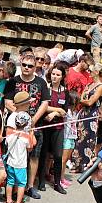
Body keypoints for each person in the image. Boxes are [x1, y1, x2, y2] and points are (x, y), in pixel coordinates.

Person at [3, 52, 50, 198]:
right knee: (13, 155)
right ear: (20, 65)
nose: (27, 68)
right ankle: (13, 186)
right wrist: (22, 118)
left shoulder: (41, 82)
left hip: (34, 124)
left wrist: (33, 120)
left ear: (35, 67)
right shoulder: (13, 81)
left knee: (34, 156)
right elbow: (7, 102)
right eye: (24, 65)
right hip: (16, 126)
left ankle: (29, 186)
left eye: (30, 66)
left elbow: (45, 102)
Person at [71, 63, 102, 174]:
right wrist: (83, 100)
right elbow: (82, 97)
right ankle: (77, 164)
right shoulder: (90, 84)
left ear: (97, 72)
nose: (89, 73)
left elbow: (90, 101)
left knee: (89, 139)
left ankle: (86, 164)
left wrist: (82, 100)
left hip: (91, 115)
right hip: (84, 113)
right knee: (79, 138)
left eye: (91, 71)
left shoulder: (100, 86)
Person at [39, 65, 68, 195]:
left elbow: (65, 110)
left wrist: (55, 114)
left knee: (58, 155)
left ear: (62, 77)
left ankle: (57, 183)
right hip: (45, 126)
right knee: (43, 154)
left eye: (58, 75)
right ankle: (40, 181)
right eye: (53, 74)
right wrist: (56, 110)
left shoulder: (64, 91)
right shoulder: (46, 88)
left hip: (58, 126)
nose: (55, 77)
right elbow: (43, 106)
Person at [3, 111, 35, 203]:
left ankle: (8, 201)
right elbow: (30, 147)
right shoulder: (26, 136)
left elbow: (7, 144)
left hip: (10, 162)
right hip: (20, 164)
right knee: (21, 183)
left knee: (10, 181)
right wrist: (31, 133)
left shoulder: (10, 134)